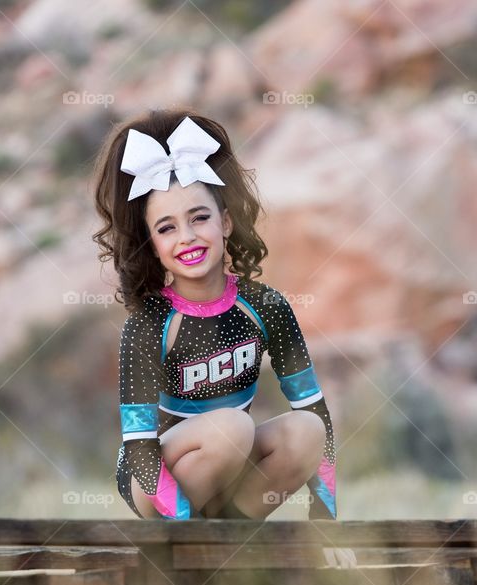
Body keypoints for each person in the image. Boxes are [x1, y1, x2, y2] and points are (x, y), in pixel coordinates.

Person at [91, 109, 339, 523]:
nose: (187, 237)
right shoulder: (150, 323)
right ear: (152, 245)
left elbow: (315, 411)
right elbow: (139, 447)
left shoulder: (266, 307)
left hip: (231, 465)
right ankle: (193, 542)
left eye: (199, 217)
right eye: (167, 228)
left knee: (305, 432)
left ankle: (233, 545)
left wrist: (326, 521)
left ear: (225, 222)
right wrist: (188, 530)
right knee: (232, 429)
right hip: (152, 478)